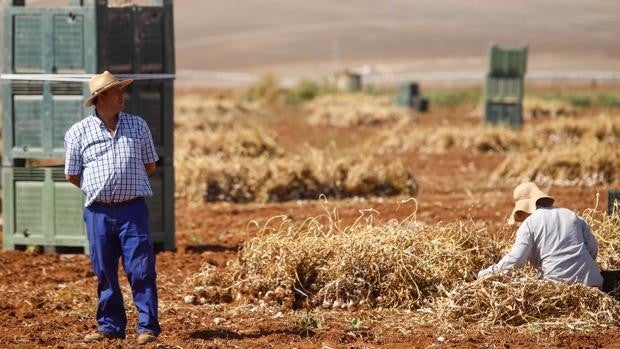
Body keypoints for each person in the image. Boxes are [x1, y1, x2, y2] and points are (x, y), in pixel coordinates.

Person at [64, 71, 161, 345]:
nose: (123, 96)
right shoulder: (78, 133)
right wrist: (102, 189)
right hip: (98, 212)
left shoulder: (138, 125)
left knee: (141, 269)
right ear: (100, 98)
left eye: (122, 90)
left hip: (133, 211)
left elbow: (149, 165)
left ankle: (148, 327)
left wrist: (124, 185)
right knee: (104, 270)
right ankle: (110, 326)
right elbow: (73, 175)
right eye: (117, 91)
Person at [478, 182, 603, 288]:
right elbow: (593, 249)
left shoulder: (529, 224)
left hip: (558, 287)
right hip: (593, 283)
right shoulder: (572, 215)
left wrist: (485, 274)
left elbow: (515, 261)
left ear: (525, 208)